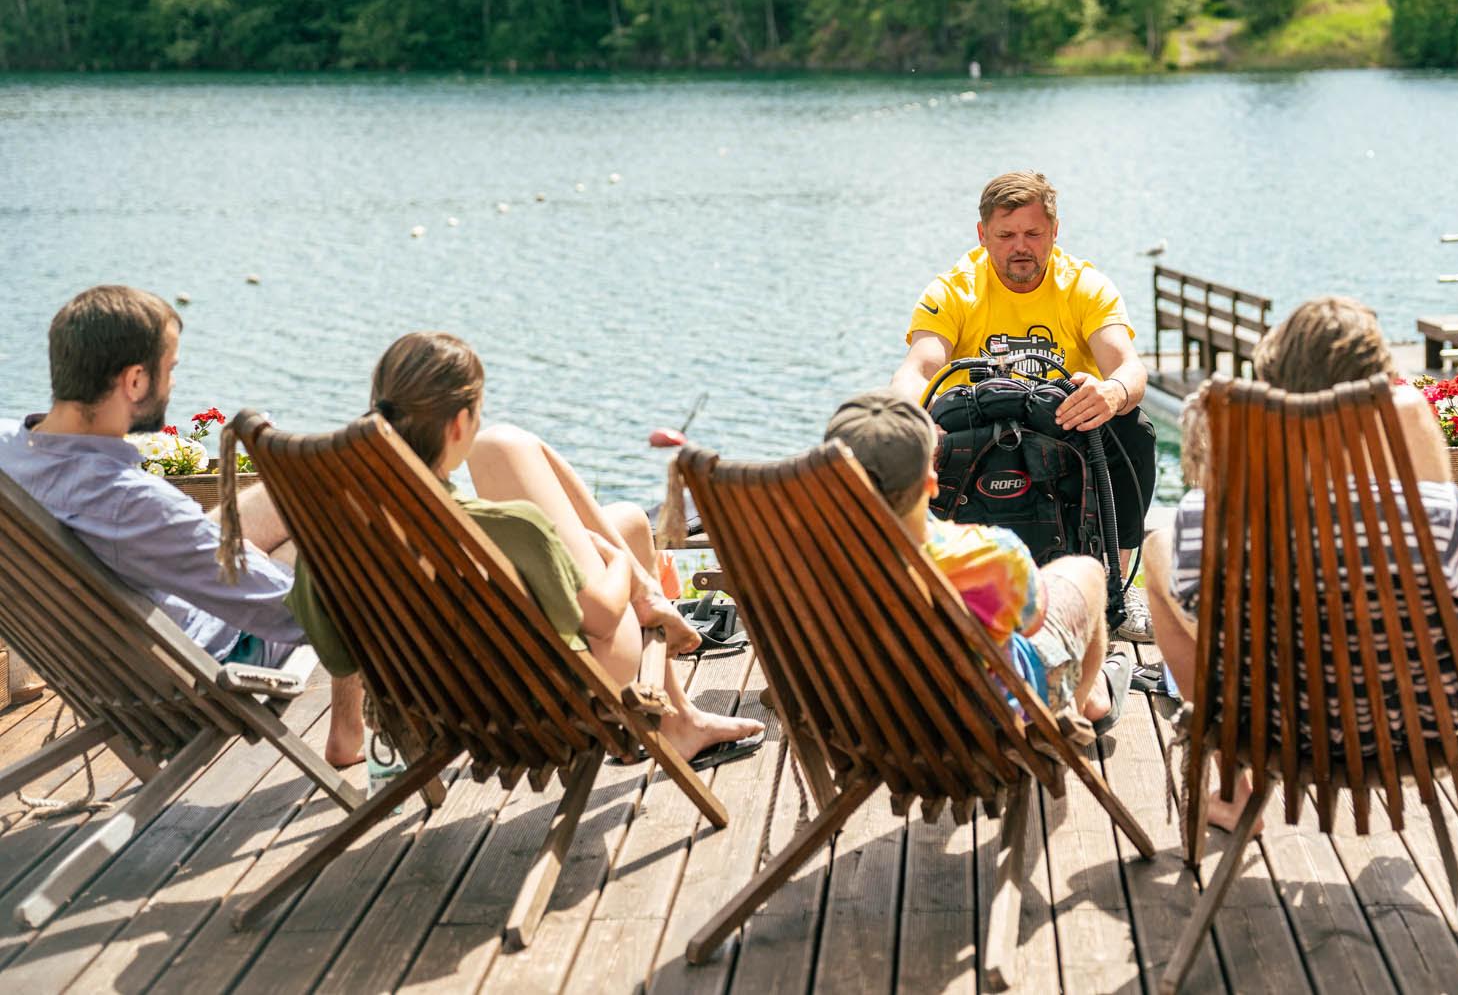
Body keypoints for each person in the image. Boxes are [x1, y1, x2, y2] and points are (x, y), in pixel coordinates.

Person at [288, 332, 763, 768]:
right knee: (510, 449)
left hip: (428, 701)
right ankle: (654, 618)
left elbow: (335, 651)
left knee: (630, 519)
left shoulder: (333, 534)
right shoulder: (508, 527)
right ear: (458, 425)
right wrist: (618, 564)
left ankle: (679, 722)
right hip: (551, 697)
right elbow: (598, 618)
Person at [1139, 295, 1458, 830]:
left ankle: (1234, 786)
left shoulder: (1210, 517)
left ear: (1274, 389)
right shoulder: (1437, 512)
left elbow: (1209, 630)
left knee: (1157, 550)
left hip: (1272, 731)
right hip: (1415, 729)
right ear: (1378, 397)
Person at [0, 285, 365, 766]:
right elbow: (300, 615)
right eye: (169, 369)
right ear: (135, 380)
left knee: (307, 483)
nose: (172, 382)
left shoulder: (10, 449)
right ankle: (350, 734)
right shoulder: (128, 501)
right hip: (201, 658)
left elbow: (171, 539)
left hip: (117, 625)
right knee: (348, 528)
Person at [889, 170, 1157, 640]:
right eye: (1006, 235)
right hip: (977, 434)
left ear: (1055, 231)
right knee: (894, 433)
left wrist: (1112, 392)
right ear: (982, 235)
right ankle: (909, 577)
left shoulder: (1084, 285)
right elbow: (917, 369)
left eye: (1034, 234)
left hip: (1062, 427)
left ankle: (1116, 586)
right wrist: (916, 420)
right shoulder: (954, 288)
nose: (1020, 247)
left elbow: (1129, 366)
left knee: (1134, 426)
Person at [825, 389, 1131, 732]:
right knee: (1085, 571)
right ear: (931, 479)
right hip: (988, 723)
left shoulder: (813, 561)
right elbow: (1032, 625)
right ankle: (1080, 706)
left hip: (879, 716)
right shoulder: (989, 553)